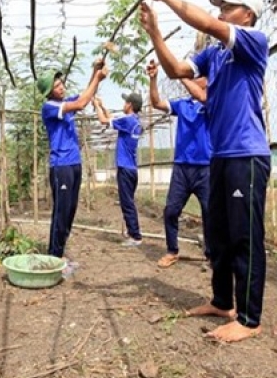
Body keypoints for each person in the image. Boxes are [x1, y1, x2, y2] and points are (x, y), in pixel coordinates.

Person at [138, 0, 271, 344]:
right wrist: (154, 32)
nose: (221, 11)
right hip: (221, 156)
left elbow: (210, 26)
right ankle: (222, 302)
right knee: (219, 236)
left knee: (245, 237)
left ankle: (249, 318)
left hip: (247, 155)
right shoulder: (214, 56)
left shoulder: (254, 41)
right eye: (220, 5)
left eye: (229, 6)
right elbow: (176, 71)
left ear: (248, 14)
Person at [36, 59, 108, 272]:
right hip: (61, 167)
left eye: (61, 84)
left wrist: (94, 72)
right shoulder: (50, 107)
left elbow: (86, 95)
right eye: (57, 86)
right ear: (50, 91)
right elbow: (81, 104)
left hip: (74, 164)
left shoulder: (63, 104)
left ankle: (60, 256)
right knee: (61, 212)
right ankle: (55, 259)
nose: (62, 87)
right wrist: (97, 77)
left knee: (70, 212)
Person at [145, 60, 212, 268]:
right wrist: (154, 79)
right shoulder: (183, 105)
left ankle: (212, 255)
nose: (196, 79)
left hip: (206, 168)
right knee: (171, 211)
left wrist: (180, 75)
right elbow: (156, 103)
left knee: (210, 213)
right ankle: (172, 251)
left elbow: (204, 96)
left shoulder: (213, 100)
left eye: (200, 76)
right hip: (182, 168)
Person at [93, 92, 144, 246]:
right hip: (132, 169)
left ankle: (135, 236)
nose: (124, 104)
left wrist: (96, 107)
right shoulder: (134, 121)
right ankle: (133, 233)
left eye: (125, 102)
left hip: (125, 168)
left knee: (127, 203)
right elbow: (111, 120)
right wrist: (102, 106)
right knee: (128, 201)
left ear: (129, 105)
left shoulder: (127, 120)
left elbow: (103, 121)